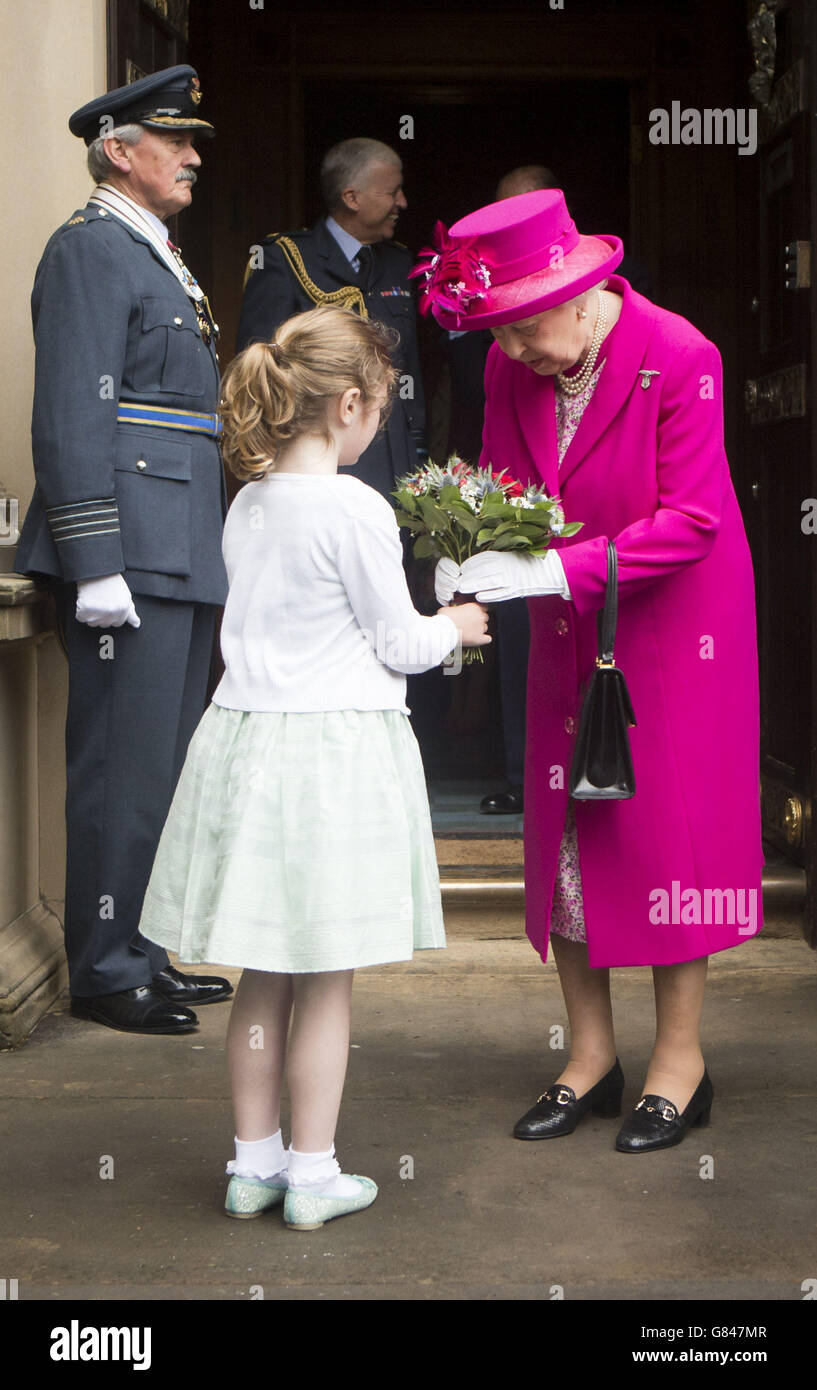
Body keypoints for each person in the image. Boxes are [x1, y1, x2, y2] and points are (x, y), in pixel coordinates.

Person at [137, 305, 490, 1229]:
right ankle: (313, 1173)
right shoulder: (354, 505)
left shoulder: (248, 501)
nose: (378, 423)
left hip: (247, 742)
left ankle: (250, 1166)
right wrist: (454, 625)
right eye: (377, 407)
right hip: (332, 754)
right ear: (346, 407)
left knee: (263, 971)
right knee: (325, 975)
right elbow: (395, 641)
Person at [429, 189, 763, 1152]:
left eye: (528, 330)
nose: (517, 353)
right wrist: (469, 540)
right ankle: (588, 1057)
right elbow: (502, 483)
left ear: (583, 292)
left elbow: (693, 523)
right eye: (502, 335)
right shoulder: (509, 362)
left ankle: (679, 1063)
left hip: (674, 626)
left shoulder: (680, 354)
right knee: (569, 832)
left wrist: (550, 566)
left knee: (666, 838)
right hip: (571, 622)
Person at [13, 65, 233, 1035]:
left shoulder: (150, 254)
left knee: (162, 768)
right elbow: (70, 415)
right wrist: (93, 557)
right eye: (175, 140)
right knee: (117, 767)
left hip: (176, 545)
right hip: (131, 553)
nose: (192, 156)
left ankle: (139, 945)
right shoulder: (92, 252)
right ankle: (104, 966)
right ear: (119, 150)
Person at [236, 138, 427, 505]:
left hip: (398, 469)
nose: (401, 203)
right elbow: (259, 372)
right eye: (392, 192)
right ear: (351, 198)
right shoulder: (284, 259)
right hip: (320, 471)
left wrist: (417, 454)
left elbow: (412, 371)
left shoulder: (402, 264)